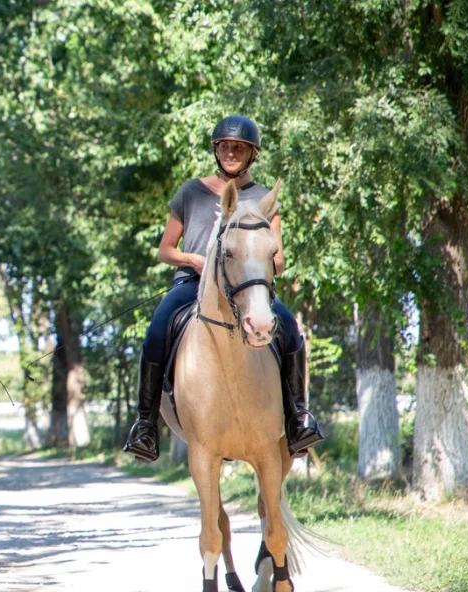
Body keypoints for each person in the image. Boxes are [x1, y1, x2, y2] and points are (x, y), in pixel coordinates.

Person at [122, 115, 324, 462]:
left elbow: (279, 259)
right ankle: (145, 426)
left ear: (251, 154)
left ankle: (298, 419)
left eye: (239, 148)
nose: (231, 152)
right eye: (225, 147)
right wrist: (195, 261)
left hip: (248, 286)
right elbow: (165, 250)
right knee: (157, 330)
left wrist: (257, 264)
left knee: (290, 329)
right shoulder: (191, 192)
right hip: (195, 283)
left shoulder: (263, 198)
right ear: (216, 150)